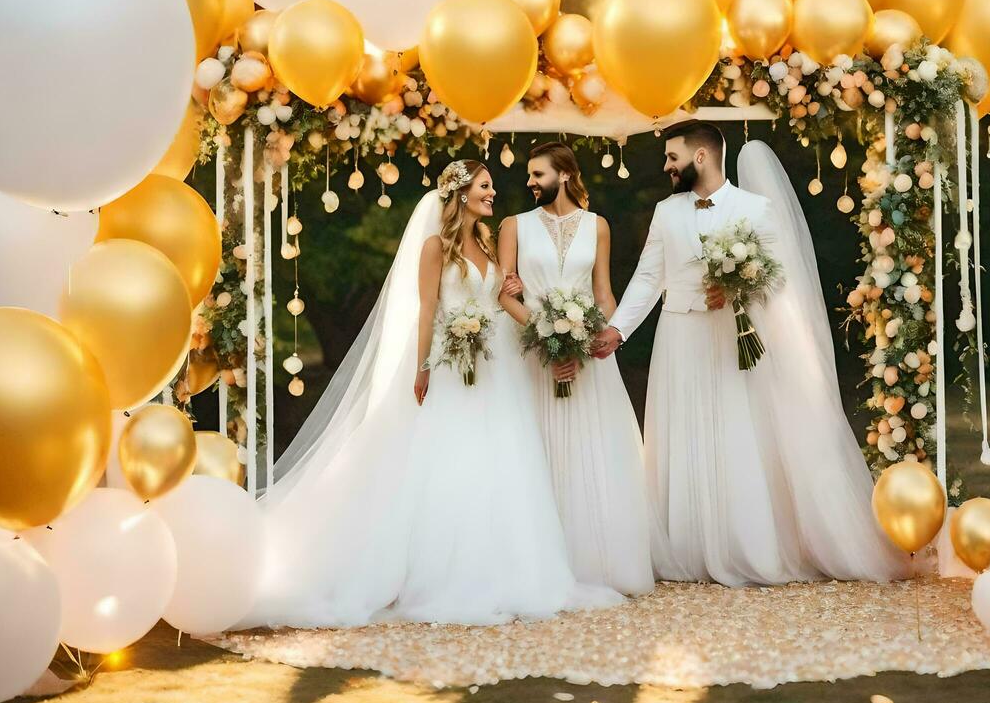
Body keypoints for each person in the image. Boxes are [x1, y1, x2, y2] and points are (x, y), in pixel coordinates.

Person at [240, 159, 620, 628]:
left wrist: (531, 312)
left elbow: (501, 298)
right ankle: (446, 573)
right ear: (461, 193)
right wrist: (422, 367)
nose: (492, 194)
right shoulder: (435, 248)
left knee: (503, 460)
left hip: (497, 367)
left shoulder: (485, 242)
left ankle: (508, 569)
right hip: (451, 364)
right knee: (453, 461)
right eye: (485, 186)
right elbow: (426, 311)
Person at [594, 121, 910, 587]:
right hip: (678, 338)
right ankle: (688, 550)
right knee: (680, 433)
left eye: (671, 157)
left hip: (730, 342)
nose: (665, 166)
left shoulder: (756, 209)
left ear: (700, 157)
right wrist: (618, 330)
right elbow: (647, 277)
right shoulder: (666, 211)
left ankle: (746, 547)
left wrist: (740, 289)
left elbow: (781, 280)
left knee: (734, 433)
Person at [497, 142, 680, 595]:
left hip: (589, 358)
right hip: (533, 355)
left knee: (594, 453)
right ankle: (539, 563)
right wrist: (545, 338)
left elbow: (602, 293)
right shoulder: (512, 226)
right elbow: (504, 295)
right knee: (536, 451)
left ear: (563, 175)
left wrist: (604, 336)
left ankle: (596, 563)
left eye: (537, 173)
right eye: (529, 174)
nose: (529, 182)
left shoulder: (598, 226)